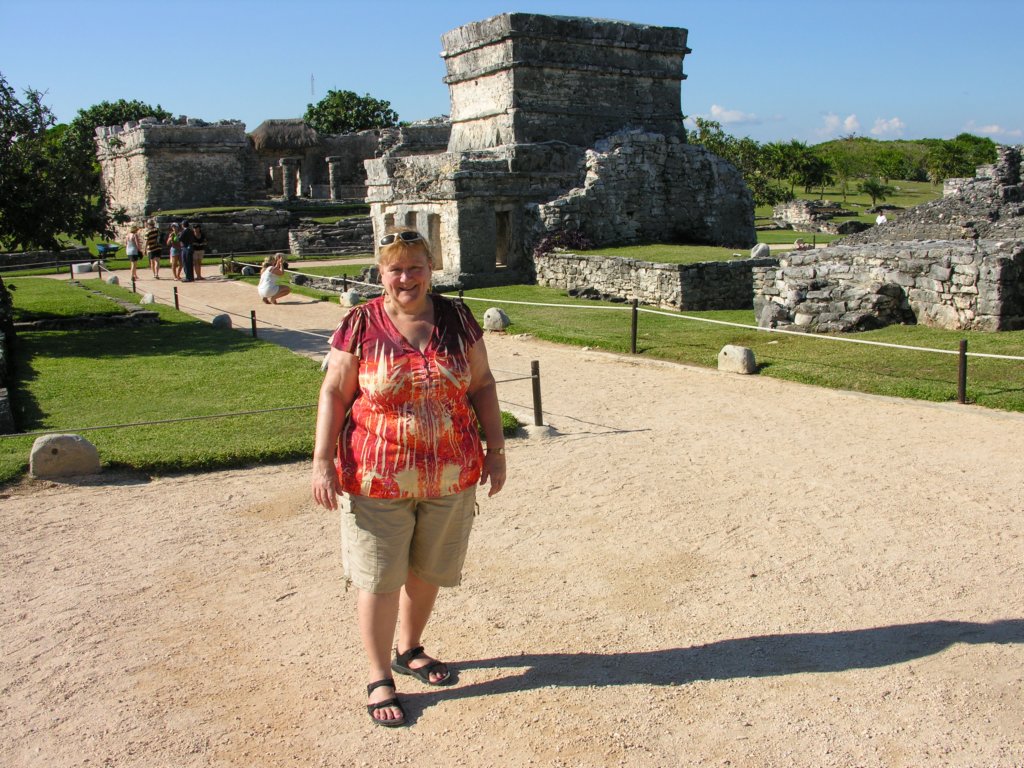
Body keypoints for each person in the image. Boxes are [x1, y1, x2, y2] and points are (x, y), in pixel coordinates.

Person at [310, 227, 506, 728]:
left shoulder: (458, 318)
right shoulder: (360, 323)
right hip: (378, 476)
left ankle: (409, 649)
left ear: (430, 269)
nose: (406, 278)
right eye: (395, 269)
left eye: (415, 267)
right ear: (381, 273)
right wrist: (322, 460)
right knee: (380, 577)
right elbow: (334, 391)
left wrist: (497, 450)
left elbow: (482, 384)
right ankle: (379, 677)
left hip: (451, 474)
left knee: (427, 569)